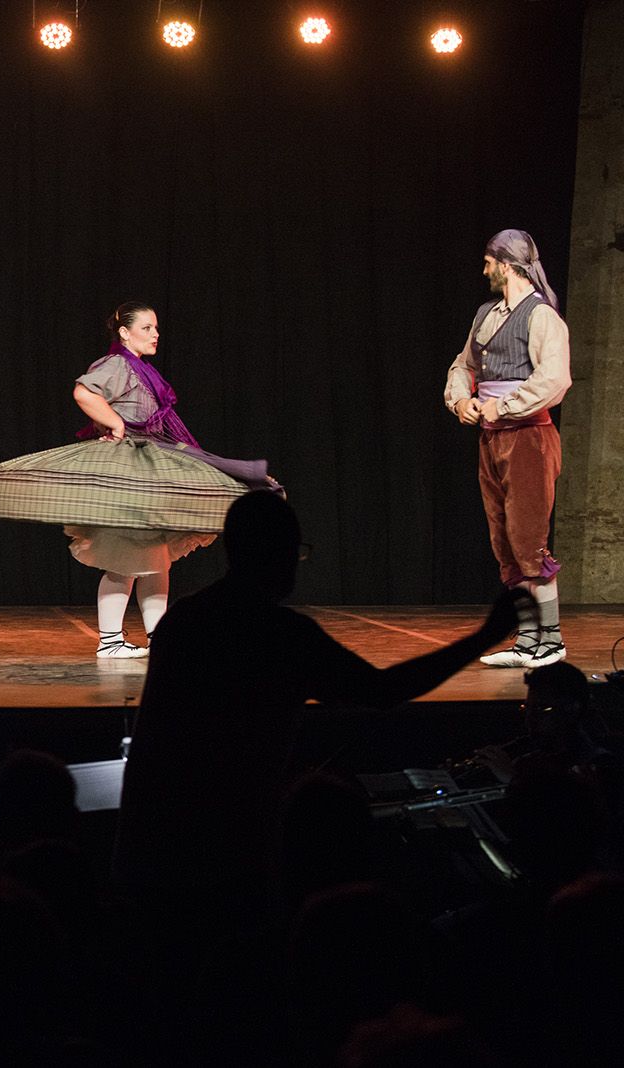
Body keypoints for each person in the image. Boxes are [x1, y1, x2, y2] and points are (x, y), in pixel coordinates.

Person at [111, 491, 523, 918]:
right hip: (226, 854)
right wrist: (483, 637)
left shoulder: (184, 620)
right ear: (279, 553)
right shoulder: (280, 633)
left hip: (150, 844)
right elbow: (383, 690)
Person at [0, 302, 275, 658]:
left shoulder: (140, 370)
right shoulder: (116, 365)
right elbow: (84, 392)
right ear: (125, 333)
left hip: (150, 465)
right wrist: (114, 423)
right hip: (130, 471)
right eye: (147, 328)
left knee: (154, 561)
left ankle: (159, 638)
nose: (155, 334)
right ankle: (111, 641)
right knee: (125, 560)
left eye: (156, 328)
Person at [444, 229, 573, 668]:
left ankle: (550, 641)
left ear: (507, 264)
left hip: (528, 439)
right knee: (505, 542)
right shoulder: (486, 315)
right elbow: (464, 365)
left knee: (529, 541)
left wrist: (503, 406)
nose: (484, 271)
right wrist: (462, 400)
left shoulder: (540, 317)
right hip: (492, 438)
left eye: (488, 262)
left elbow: (554, 380)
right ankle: (527, 641)